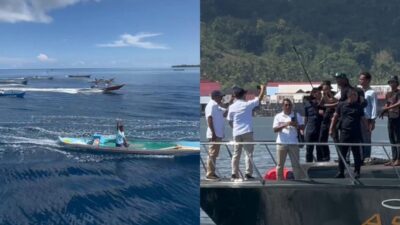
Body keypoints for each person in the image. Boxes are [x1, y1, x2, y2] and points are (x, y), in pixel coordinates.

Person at [227, 84, 266, 181]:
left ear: (235, 96)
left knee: (236, 154)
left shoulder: (232, 107)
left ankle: (234, 173)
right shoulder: (247, 104)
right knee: (248, 153)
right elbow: (259, 99)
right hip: (247, 131)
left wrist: (234, 128)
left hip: (236, 133)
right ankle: (248, 174)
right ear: (243, 95)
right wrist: (262, 89)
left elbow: (229, 120)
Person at [329, 88, 367, 179]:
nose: (356, 97)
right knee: (342, 153)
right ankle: (341, 171)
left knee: (356, 153)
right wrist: (331, 129)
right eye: (355, 96)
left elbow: (363, 118)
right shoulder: (341, 105)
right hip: (344, 132)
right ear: (350, 96)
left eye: (357, 96)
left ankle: (357, 171)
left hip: (356, 132)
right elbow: (335, 117)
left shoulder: (359, 106)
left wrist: (367, 128)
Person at [273, 98, 306, 180]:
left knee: (296, 164)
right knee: (280, 165)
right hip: (281, 143)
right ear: (282, 106)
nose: (288, 107)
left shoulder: (296, 115)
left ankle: (298, 180)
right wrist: (286, 124)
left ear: (292, 106)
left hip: (293, 143)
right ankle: (279, 181)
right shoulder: (278, 116)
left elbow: (302, 127)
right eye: (286, 105)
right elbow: (275, 129)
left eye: (289, 105)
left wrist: (296, 125)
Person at [205, 90, 227, 180]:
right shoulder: (212, 105)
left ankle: (212, 172)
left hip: (218, 134)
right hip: (214, 134)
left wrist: (227, 103)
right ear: (215, 97)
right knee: (212, 154)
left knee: (214, 154)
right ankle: (210, 174)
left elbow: (225, 112)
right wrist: (213, 133)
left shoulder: (217, 106)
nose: (221, 98)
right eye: (220, 96)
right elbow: (209, 118)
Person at [379, 76, 400, 166]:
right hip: (390, 117)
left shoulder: (399, 92)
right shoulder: (388, 93)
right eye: (390, 82)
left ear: (397, 83)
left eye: (393, 82)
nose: (391, 84)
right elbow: (387, 103)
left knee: (398, 138)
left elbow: (399, 103)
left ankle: (398, 159)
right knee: (391, 138)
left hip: (398, 117)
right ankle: (394, 158)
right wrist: (383, 111)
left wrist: (388, 107)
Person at [359, 72, 377, 163]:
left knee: (366, 139)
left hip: (367, 118)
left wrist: (373, 121)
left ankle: (366, 158)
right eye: (360, 79)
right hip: (358, 117)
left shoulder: (372, 92)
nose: (360, 81)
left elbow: (374, 107)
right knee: (358, 138)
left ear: (368, 80)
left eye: (362, 79)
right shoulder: (358, 91)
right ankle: (360, 157)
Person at [317, 81, 337, 161]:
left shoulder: (335, 94)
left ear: (329, 88)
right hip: (325, 119)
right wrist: (322, 99)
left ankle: (341, 157)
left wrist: (326, 104)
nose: (324, 91)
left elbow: (336, 103)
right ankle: (326, 156)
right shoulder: (323, 96)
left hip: (333, 119)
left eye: (326, 89)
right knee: (322, 139)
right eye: (323, 90)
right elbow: (320, 105)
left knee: (336, 139)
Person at [303, 87, 323, 162]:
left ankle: (320, 164)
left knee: (319, 149)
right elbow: (306, 117)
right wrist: (303, 129)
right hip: (310, 129)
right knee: (309, 150)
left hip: (320, 129)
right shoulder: (307, 103)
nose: (320, 95)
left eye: (320, 93)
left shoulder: (322, 103)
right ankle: (308, 164)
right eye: (318, 93)